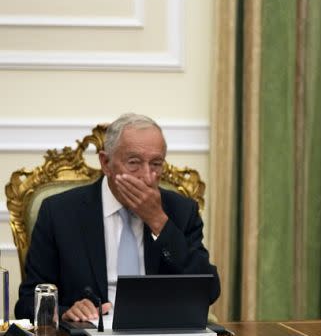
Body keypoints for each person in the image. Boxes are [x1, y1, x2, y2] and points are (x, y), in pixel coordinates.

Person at [15, 113, 220, 321]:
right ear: (106, 163)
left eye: (156, 164)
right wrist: (65, 311)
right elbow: (26, 303)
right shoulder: (59, 212)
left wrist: (159, 222)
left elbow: (208, 291)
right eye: (134, 163)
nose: (147, 177)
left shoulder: (181, 211)